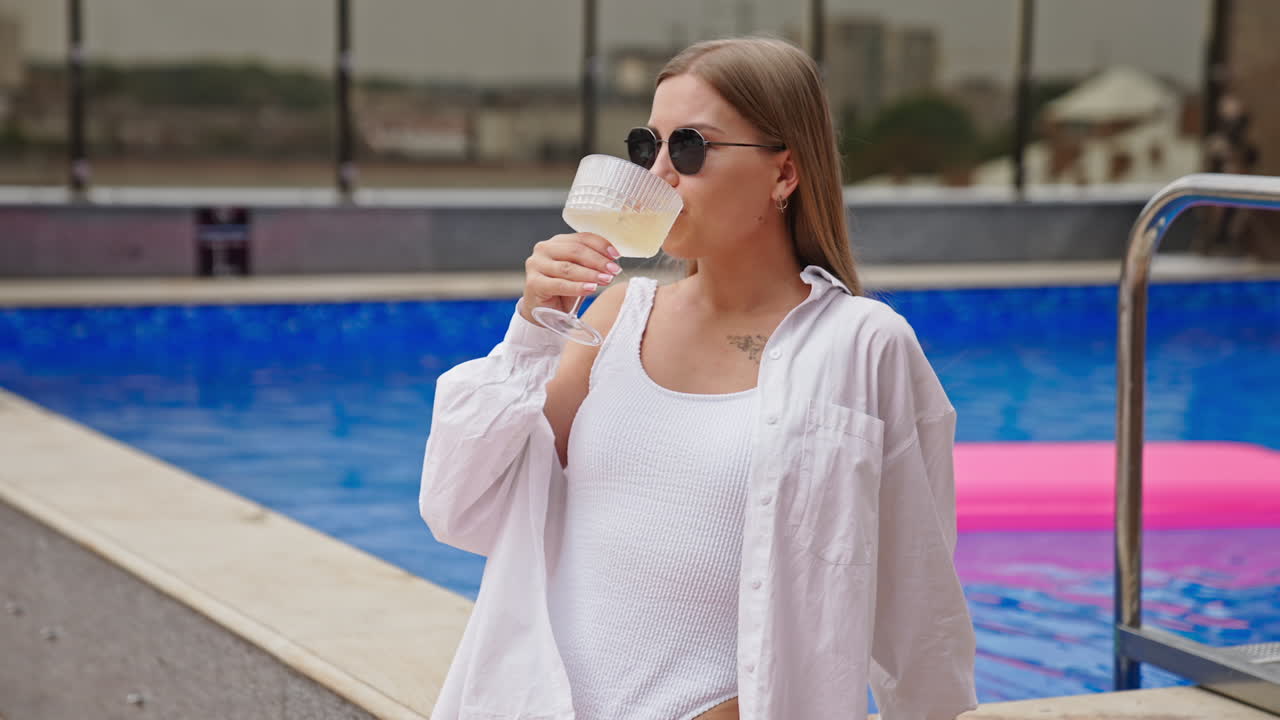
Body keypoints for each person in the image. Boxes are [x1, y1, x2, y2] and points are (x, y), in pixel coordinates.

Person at [420, 36, 978, 720]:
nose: (657, 174)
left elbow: (917, 602)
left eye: (689, 147)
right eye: (646, 146)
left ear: (784, 173)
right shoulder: (618, 316)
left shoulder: (863, 345)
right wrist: (531, 332)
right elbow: (463, 507)